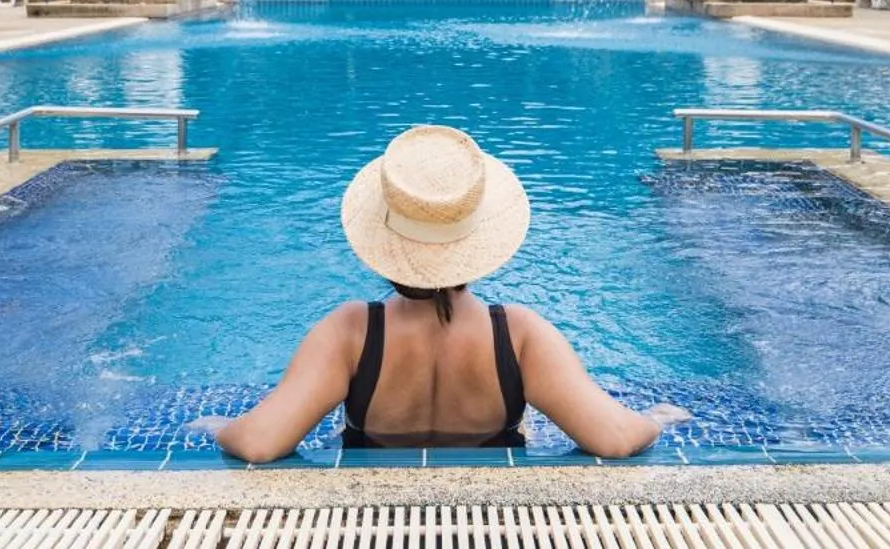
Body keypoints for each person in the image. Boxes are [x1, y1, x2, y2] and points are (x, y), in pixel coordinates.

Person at [195, 125, 687, 461]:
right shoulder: (518, 335)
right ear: (476, 240)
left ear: (382, 239)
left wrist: (220, 426)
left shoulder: (349, 332)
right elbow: (617, 439)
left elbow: (259, 443)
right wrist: (655, 419)